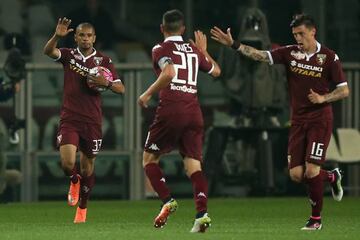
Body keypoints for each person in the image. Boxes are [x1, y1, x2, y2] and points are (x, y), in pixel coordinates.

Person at [210, 13, 349, 230]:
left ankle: (315, 220)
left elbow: (344, 90)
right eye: (295, 35)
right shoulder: (290, 53)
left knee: (311, 172)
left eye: (302, 34)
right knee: (296, 175)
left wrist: (323, 98)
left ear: (313, 32)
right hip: (298, 120)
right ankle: (331, 176)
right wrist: (234, 45)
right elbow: (259, 55)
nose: (298, 39)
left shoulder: (329, 57)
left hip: (320, 120)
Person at [138, 9, 221, 233]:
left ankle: (167, 200)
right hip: (194, 112)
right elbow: (216, 71)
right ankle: (202, 214)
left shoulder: (160, 48)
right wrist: (204, 52)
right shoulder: (194, 50)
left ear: (162, 28)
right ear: (183, 29)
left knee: (148, 160)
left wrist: (147, 94)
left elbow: (169, 72)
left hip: (171, 110)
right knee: (193, 165)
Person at [43, 17, 125, 223]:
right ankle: (73, 180)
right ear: (76, 37)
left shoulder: (104, 61)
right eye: (81, 35)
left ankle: (83, 207)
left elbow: (121, 88)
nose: (85, 39)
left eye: (89, 35)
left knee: (88, 168)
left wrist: (105, 83)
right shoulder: (69, 55)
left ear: (94, 38)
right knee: (67, 163)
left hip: (92, 121)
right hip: (69, 118)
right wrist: (56, 36)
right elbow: (48, 51)